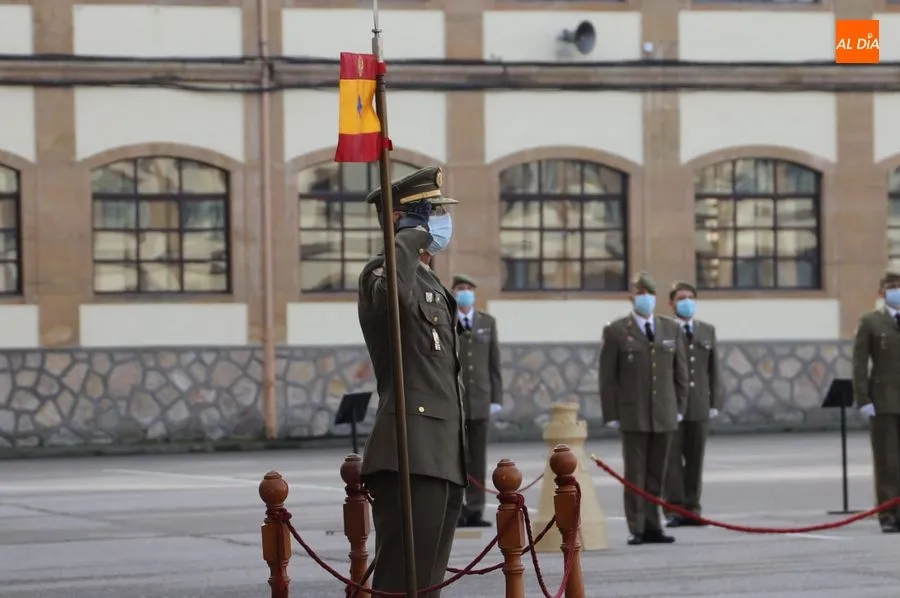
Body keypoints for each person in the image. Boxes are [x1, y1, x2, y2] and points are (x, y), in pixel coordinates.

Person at [357, 166, 468, 594]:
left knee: (426, 582)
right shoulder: (381, 275)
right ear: (409, 220)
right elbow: (395, 302)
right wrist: (406, 237)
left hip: (441, 452)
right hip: (410, 449)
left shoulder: (428, 279)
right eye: (433, 212)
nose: (442, 220)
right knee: (403, 579)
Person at [599, 271, 688, 546]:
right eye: (640, 293)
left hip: (664, 411)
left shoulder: (670, 329)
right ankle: (636, 526)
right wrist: (611, 413)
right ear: (631, 297)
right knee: (635, 473)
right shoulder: (616, 330)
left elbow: (680, 372)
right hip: (633, 412)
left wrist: (680, 406)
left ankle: (654, 525)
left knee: (657, 472)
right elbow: (607, 377)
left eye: (649, 294)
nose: (645, 298)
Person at [662, 281, 723, 527]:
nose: (686, 302)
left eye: (690, 297)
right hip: (671, 405)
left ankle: (692, 509)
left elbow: (714, 369)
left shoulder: (706, 331)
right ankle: (674, 510)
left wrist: (714, 400)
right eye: (680, 298)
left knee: (696, 460)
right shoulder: (663, 329)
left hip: (698, 404)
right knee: (672, 462)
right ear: (671, 303)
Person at [451, 273, 503, 528]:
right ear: (453, 292)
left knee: (478, 458)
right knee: (456, 457)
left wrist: (496, 397)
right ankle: (457, 509)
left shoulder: (487, 322)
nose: (465, 292)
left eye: (469, 288)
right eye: (460, 288)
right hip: (455, 400)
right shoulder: (447, 321)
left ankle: (475, 509)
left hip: (481, 399)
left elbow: (494, 363)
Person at [852, 268, 900, 534]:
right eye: (892, 286)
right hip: (883, 400)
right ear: (881, 292)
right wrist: (863, 397)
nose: (897, 291)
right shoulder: (871, 321)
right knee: (887, 461)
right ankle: (888, 514)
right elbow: (859, 363)